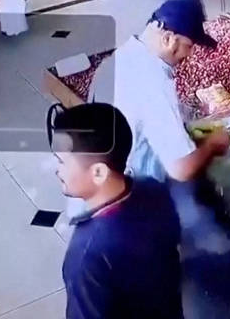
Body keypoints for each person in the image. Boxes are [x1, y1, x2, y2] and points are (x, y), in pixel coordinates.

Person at [49, 102, 183, 319]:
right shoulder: (154, 190)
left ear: (99, 173)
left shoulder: (87, 254)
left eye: (62, 161)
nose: (57, 169)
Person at [89, 0, 229, 182]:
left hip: (98, 170)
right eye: (189, 46)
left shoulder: (122, 56)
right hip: (131, 186)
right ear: (168, 39)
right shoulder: (154, 82)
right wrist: (212, 145)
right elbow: (181, 170)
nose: (190, 54)